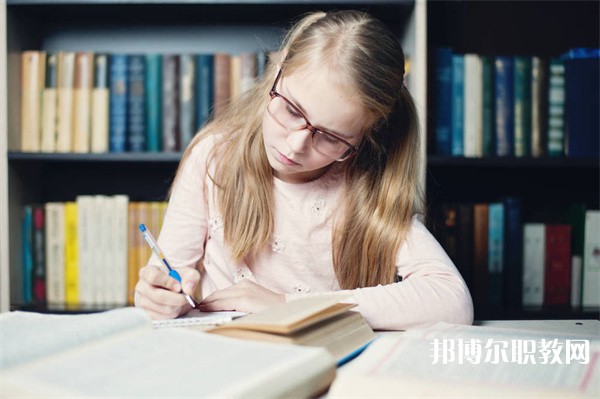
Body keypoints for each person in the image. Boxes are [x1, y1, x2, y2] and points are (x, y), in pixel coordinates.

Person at [135, 10, 474, 330]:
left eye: (329, 137)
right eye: (292, 110)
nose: (296, 146)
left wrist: (289, 305)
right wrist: (160, 297)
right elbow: (168, 276)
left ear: (365, 137)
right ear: (278, 69)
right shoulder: (213, 156)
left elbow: (452, 300)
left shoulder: (367, 186)